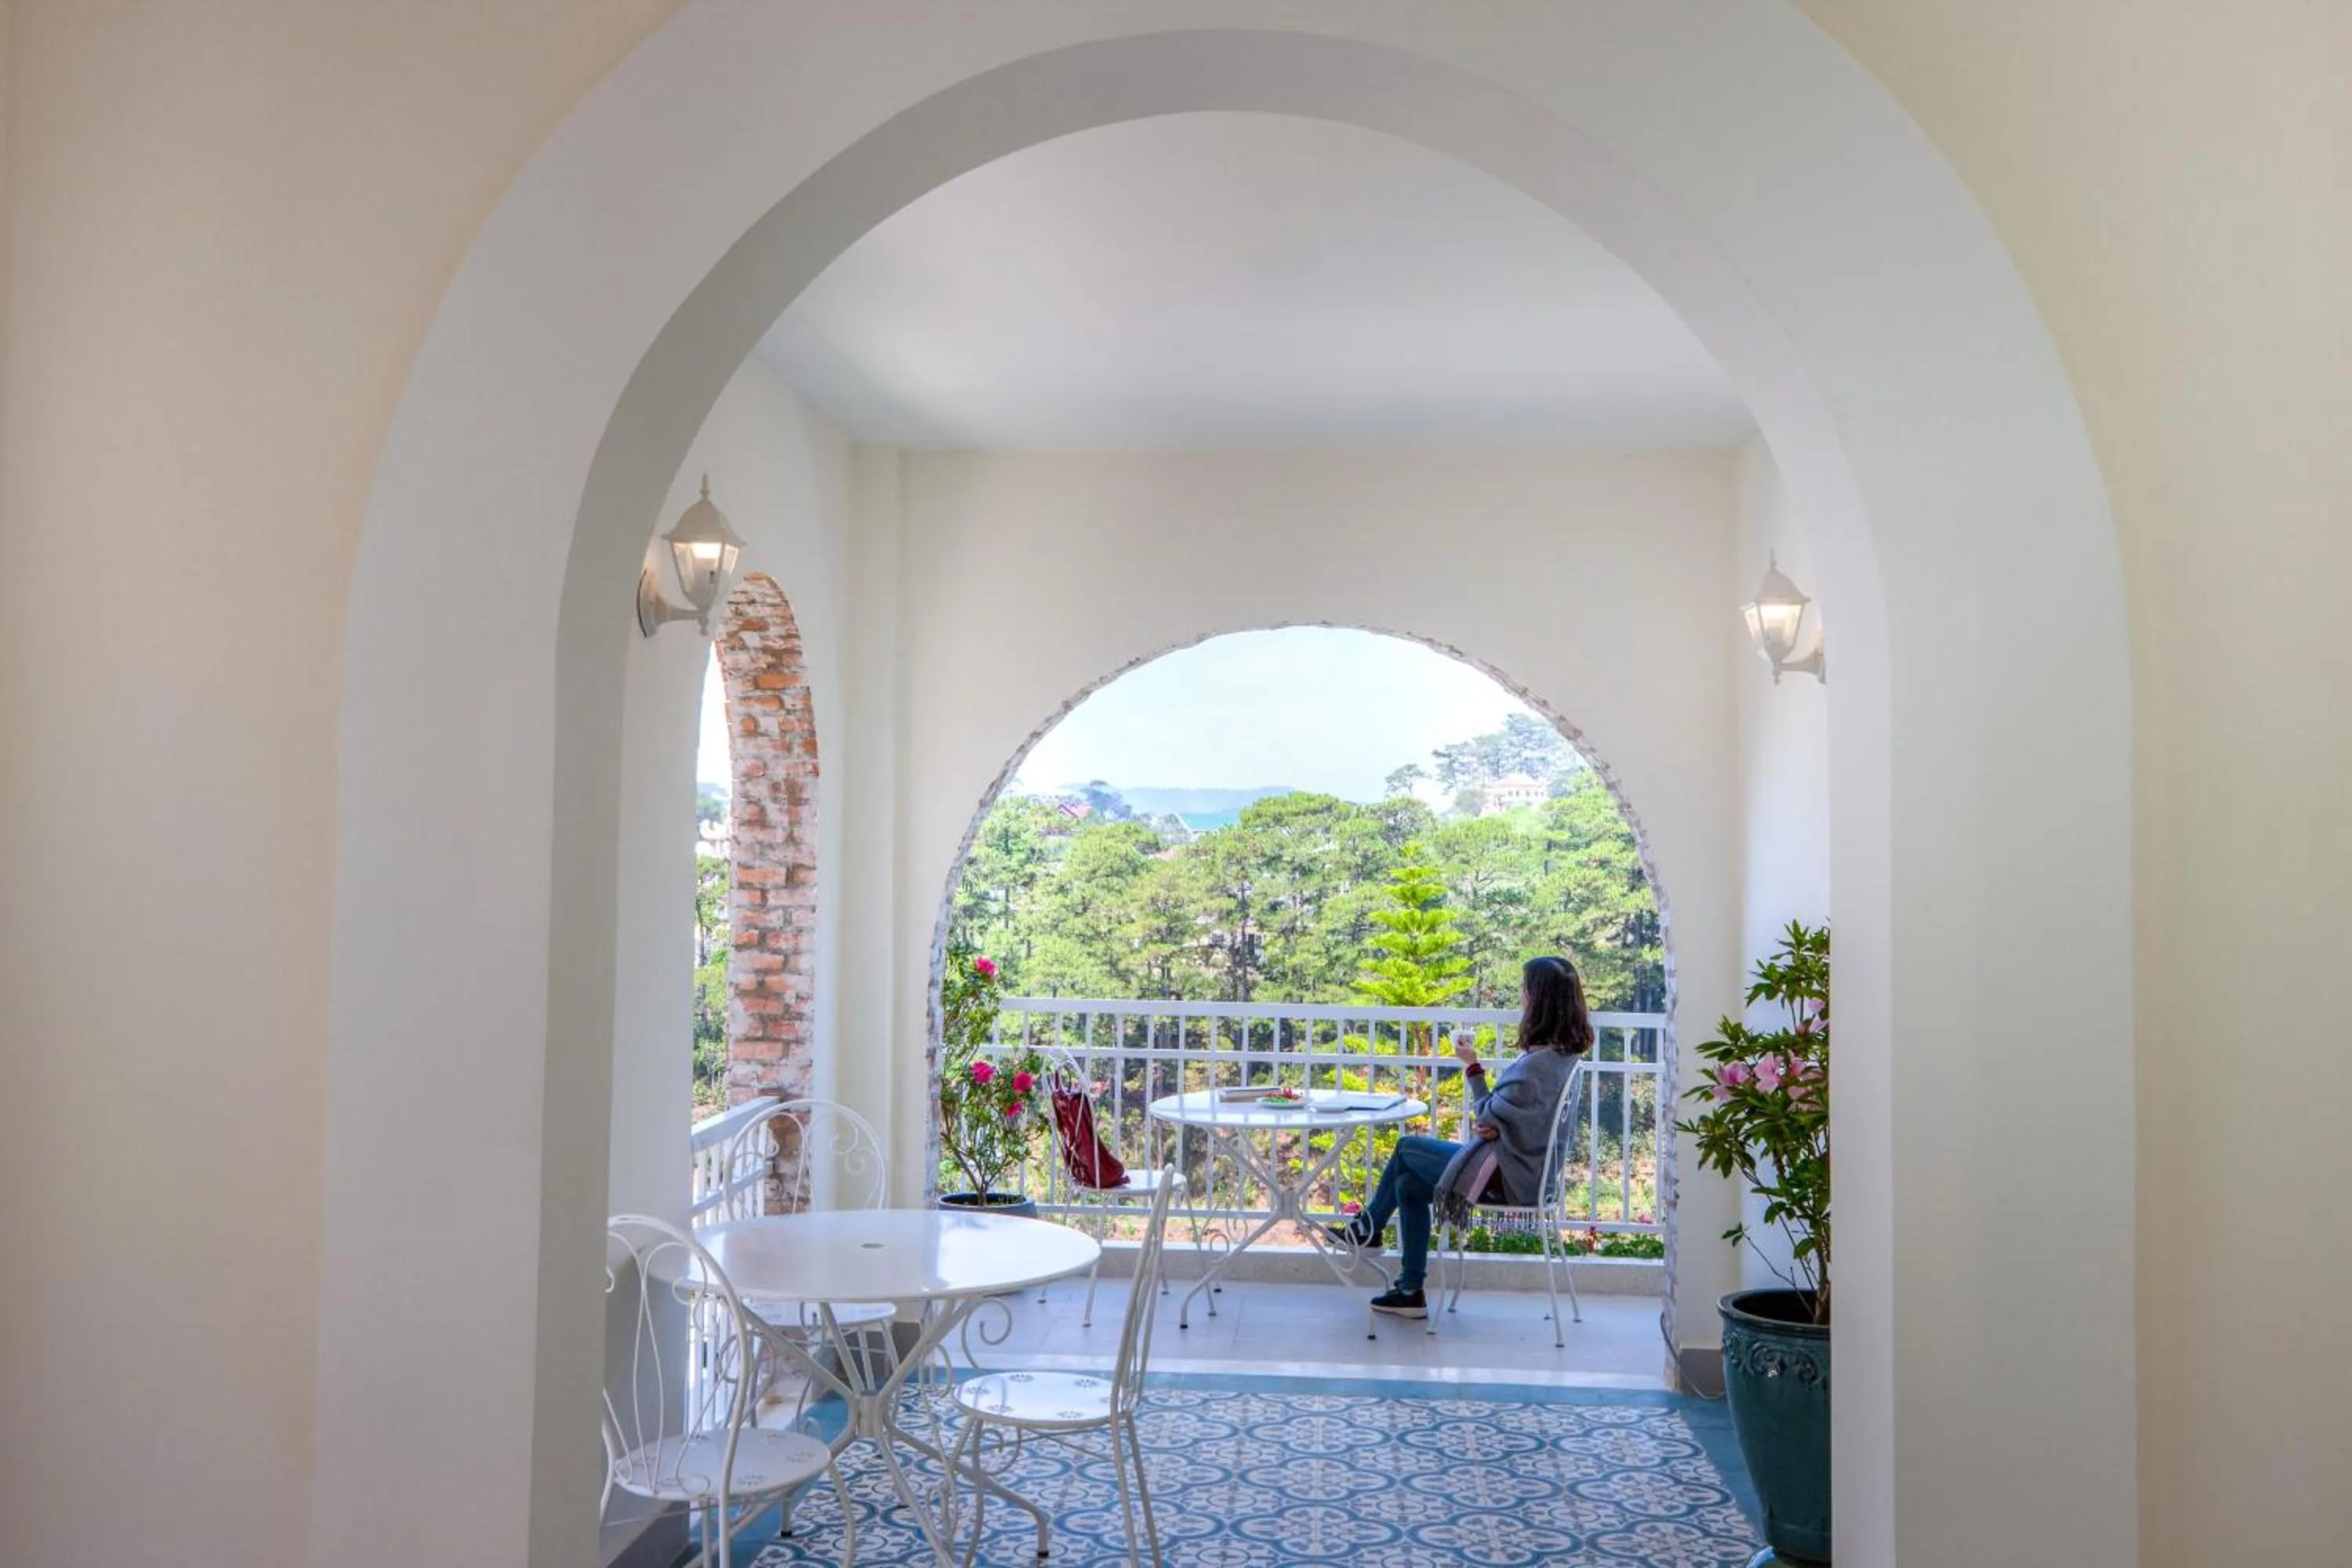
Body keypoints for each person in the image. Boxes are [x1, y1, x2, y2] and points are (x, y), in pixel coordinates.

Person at [1328, 954, 1593, 1319]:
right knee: (1407, 1185)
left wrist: (1472, 1066)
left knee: (1405, 1147)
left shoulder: (1536, 1066)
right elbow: (1506, 1116)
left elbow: (1486, 1113)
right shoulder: (1561, 1058)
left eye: (1524, 990)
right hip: (1528, 1173)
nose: (1521, 997)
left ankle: (1368, 1229)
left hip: (1509, 1178)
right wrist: (1499, 1122)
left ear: (1539, 1001)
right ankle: (1409, 1291)